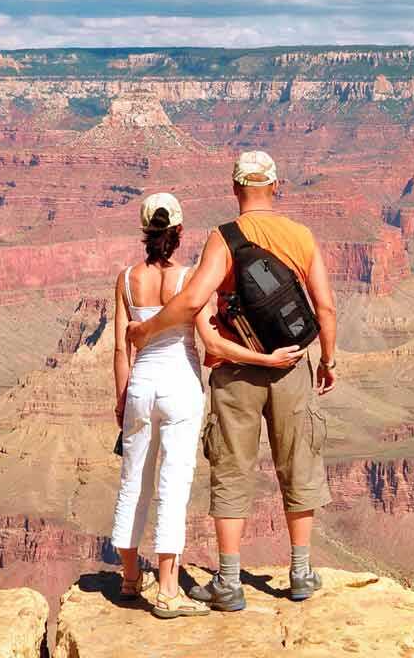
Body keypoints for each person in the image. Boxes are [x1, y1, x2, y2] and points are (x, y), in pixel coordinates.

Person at [126, 151, 338, 611]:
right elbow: (325, 306)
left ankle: (228, 581)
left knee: (231, 469)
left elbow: (191, 301)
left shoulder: (224, 238)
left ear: (236, 188)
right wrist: (328, 360)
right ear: (276, 186)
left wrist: (144, 330)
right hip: (291, 365)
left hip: (236, 370)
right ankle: (300, 572)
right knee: (297, 462)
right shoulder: (300, 236)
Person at [111, 191, 301, 619]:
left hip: (141, 384)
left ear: (146, 231)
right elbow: (213, 343)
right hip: (179, 384)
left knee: (132, 481)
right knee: (173, 485)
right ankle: (166, 591)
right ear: (178, 233)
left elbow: (121, 350)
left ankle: (128, 579)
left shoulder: (124, 280)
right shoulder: (189, 278)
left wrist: (122, 400)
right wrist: (266, 359)